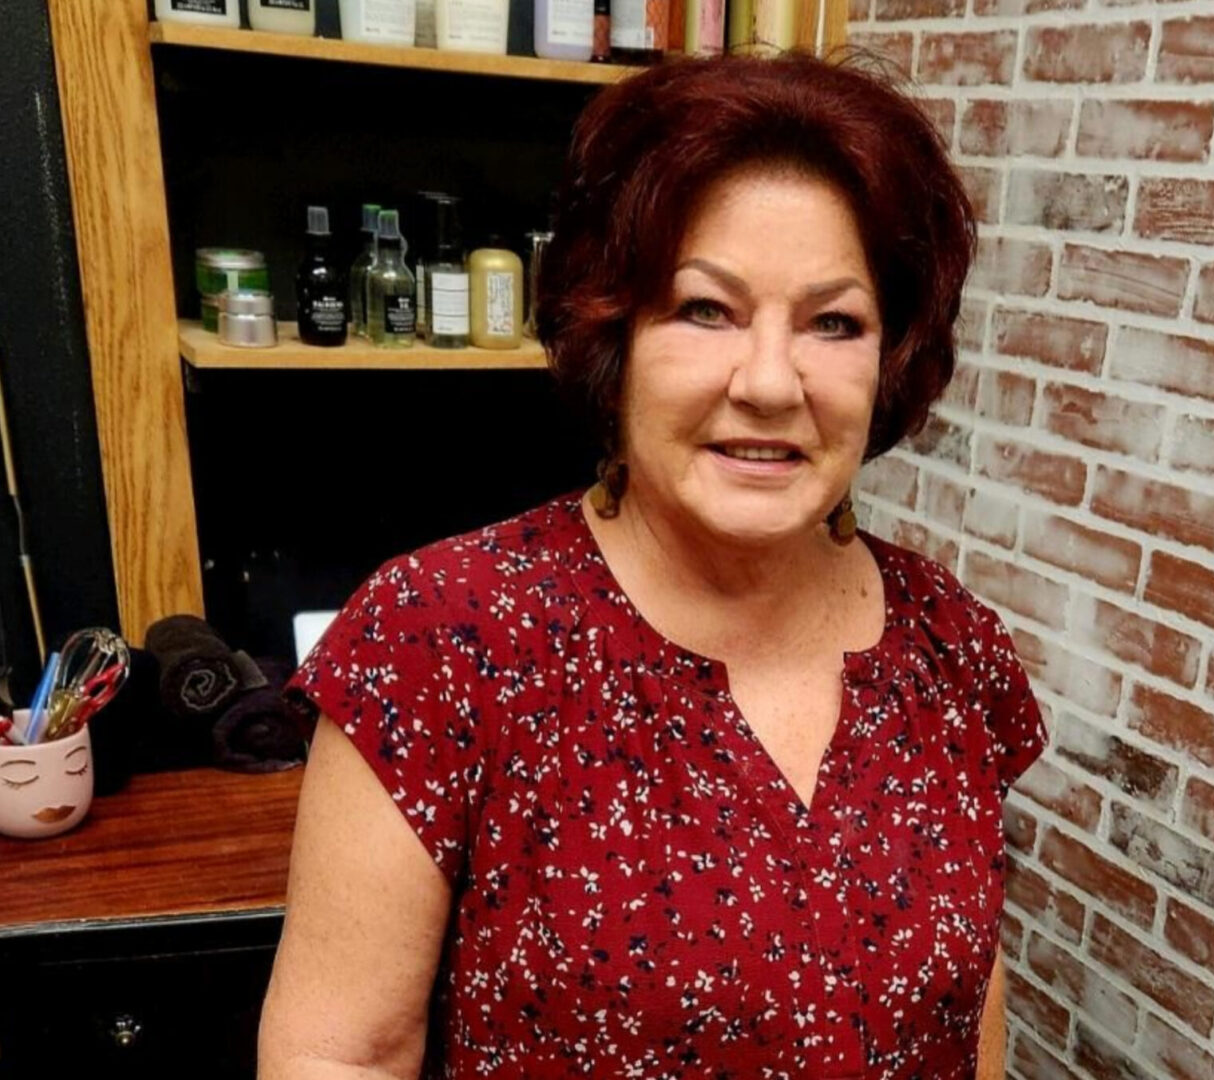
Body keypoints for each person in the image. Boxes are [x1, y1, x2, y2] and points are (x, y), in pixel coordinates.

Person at [258, 51, 1047, 1080]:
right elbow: (340, 1056)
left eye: (834, 322)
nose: (769, 382)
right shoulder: (442, 637)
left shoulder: (954, 650)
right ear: (613, 329)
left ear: (892, 357)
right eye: (704, 309)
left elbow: (970, 999)